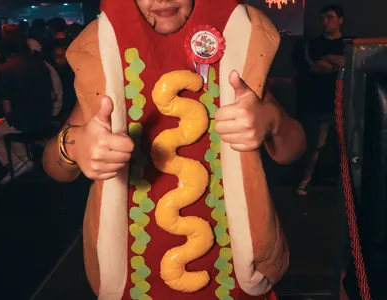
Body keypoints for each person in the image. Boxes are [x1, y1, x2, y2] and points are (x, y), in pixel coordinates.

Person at [43, 0, 306, 299]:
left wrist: (271, 121)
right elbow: (53, 166)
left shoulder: (234, 59)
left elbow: (293, 149)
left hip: (233, 270)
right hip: (136, 273)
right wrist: (73, 148)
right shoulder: (109, 65)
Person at [0, 25, 53, 184]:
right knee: (4, 127)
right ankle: (24, 160)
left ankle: (15, 163)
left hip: (24, 121)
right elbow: (52, 93)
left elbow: (7, 109)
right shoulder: (39, 63)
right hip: (45, 117)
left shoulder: (6, 69)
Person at [296, 4, 345, 196]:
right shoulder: (312, 45)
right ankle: (304, 181)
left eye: (330, 17)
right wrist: (336, 63)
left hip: (343, 102)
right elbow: (315, 67)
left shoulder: (348, 45)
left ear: (340, 20)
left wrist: (329, 59)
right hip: (319, 103)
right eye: (323, 18)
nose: (326, 21)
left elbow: (347, 63)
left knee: (345, 144)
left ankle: (346, 185)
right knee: (315, 144)